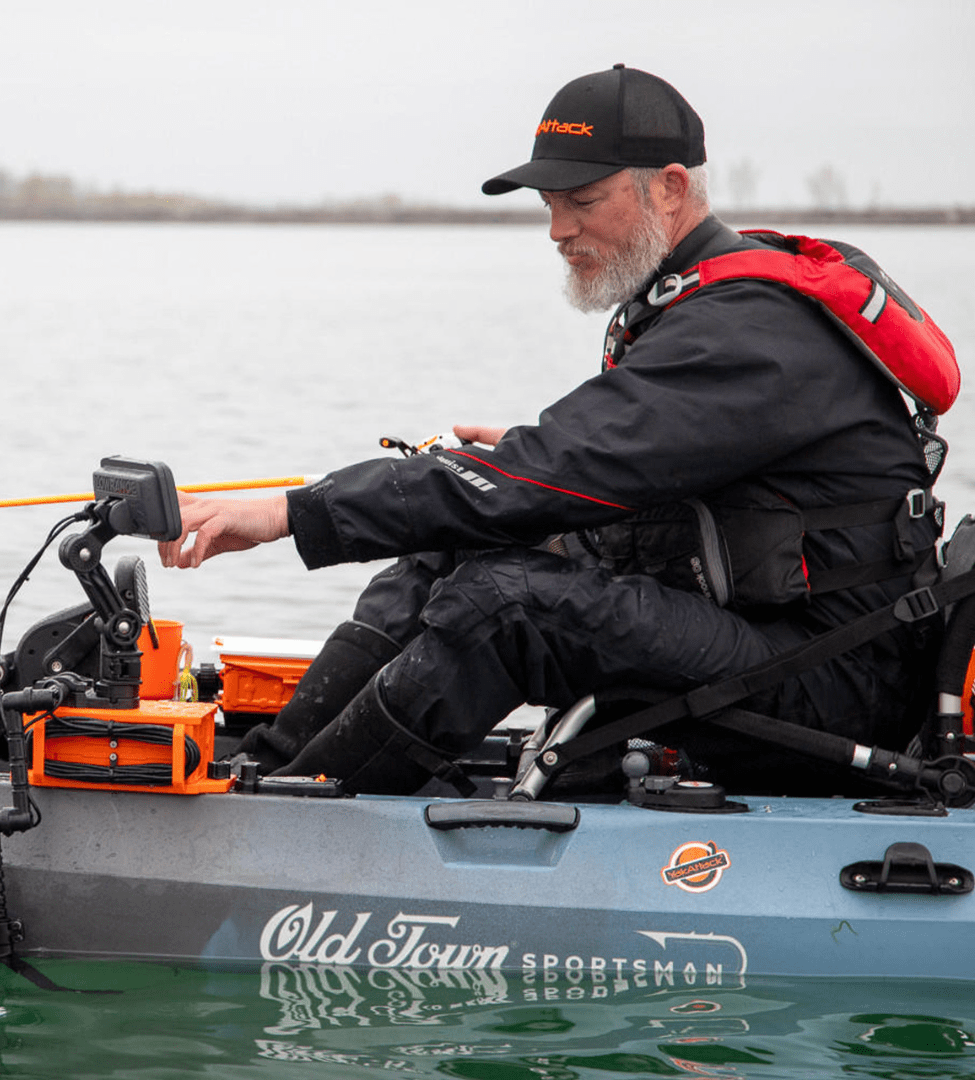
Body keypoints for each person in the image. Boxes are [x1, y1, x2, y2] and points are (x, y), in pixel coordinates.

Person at [158, 65, 950, 797]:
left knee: (506, 600)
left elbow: (552, 472)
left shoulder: (746, 330)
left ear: (669, 189)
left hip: (835, 683)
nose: (556, 230)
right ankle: (273, 770)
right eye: (549, 206)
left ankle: (302, 817)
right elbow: (616, 469)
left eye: (582, 201)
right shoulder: (697, 302)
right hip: (764, 638)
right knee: (458, 537)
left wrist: (290, 514)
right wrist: (519, 474)